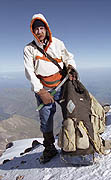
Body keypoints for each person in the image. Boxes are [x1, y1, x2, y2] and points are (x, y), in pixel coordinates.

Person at [24, 13, 78, 163]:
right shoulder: (29, 49)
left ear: (47, 29)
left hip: (62, 86)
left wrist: (71, 67)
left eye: (42, 28)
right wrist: (41, 91)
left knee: (70, 113)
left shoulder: (58, 43)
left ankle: (73, 143)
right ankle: (50, 149)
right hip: (44, 90)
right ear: (33, 31)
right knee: (46, 119)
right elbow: (30, 72)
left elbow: (68, 57)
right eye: (36, 29)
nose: (39, 31)